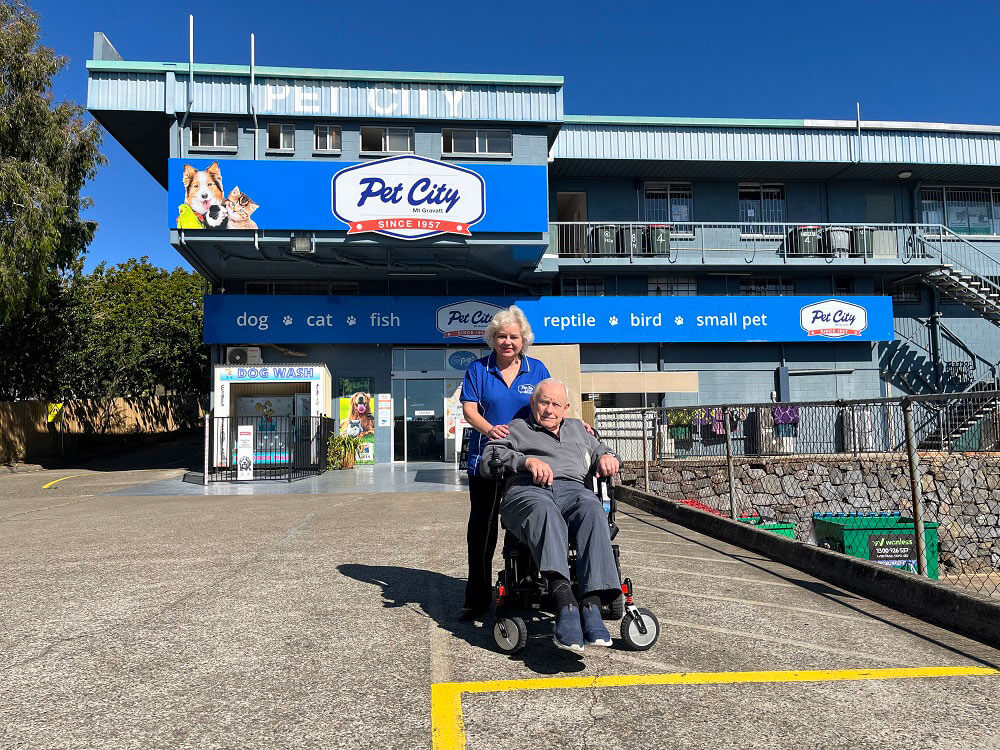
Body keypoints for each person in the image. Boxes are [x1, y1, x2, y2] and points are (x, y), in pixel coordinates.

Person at [481, 378, 622, 654]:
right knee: (545, 512)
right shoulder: (516, 428)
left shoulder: (579, 431)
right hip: (527, 490)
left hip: (572, 490)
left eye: (556, 404)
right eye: (543, 402)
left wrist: (607, 456)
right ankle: (565, 602)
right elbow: (489, 456)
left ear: (566, 408)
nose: (549, 409)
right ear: (533, 403)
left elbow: (600, 450)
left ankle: (591, 605)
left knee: (592, 508)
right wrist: (526, 461)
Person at [459, 306, 551, 621]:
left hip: (525, 460)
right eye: (501, 336)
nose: (507, 342)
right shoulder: (478, 369)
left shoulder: (537, 370)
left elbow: (549, 408)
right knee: (482, 529)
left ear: (523, 340)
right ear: (492, 339)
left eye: (514, 336)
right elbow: (469, 410)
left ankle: (523, 590)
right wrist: (489, 429)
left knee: (523, 524)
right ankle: (477, 597)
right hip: (486, 459)